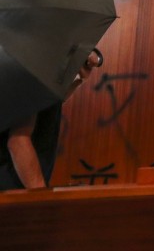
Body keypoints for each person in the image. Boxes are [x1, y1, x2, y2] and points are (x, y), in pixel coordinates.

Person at [1, 48, 103, 190]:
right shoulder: (31, 69)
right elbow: (18, 141)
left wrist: (78, 80)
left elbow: (49, 104)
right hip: (15, 192)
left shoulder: (40, 68)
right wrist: (41, 195)